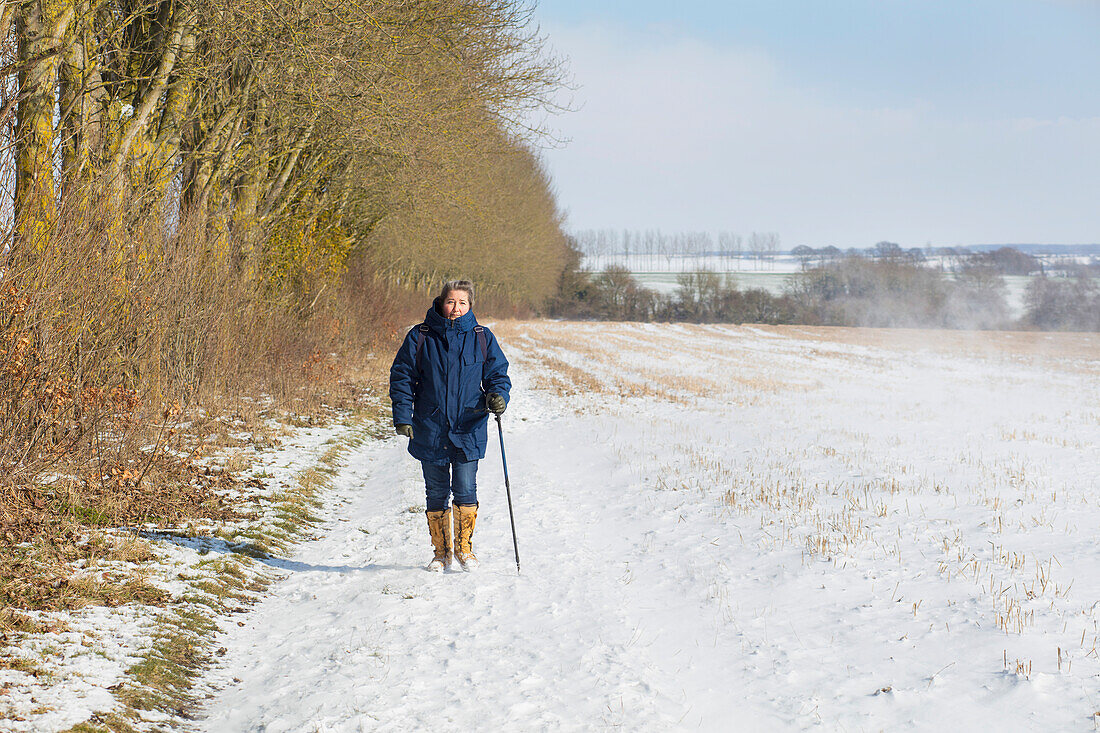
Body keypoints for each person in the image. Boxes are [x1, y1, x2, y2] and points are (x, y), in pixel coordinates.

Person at [389, 280, 511, 571]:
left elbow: (498, 376)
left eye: (462, 303)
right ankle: (441, 553)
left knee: (466, 489)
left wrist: (498, 396)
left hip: (468, 428)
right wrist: (403, 417)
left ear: (470, 306)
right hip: (430, 428)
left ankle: (464, 550)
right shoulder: (420, 336)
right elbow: (402, 378)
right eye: (451, 302)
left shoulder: (482, 337)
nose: (456, 309)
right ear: (441, 302)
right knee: (436, 491)